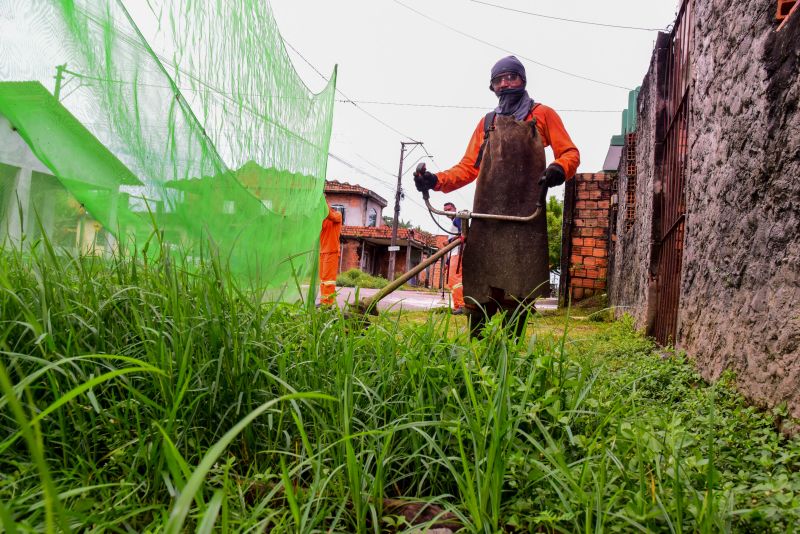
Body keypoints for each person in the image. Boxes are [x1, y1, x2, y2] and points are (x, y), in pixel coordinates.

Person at [414, 55, 580, 338]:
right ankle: (477, 354)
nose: (505, 83)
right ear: (492, 87)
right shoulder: (487, 123)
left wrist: (558, 169)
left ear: (522, 80)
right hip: (488, 218)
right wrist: (436, 181)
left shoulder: (543, 115)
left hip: (526, 219)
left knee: (518, 291)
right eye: (499, 80)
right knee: (481, 288)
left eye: (511, 77)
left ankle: (509, 356)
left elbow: (570, 154)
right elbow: (469, 167)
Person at [443, 202, 465, 314]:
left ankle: (461, 306)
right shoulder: (453, 223)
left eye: (449, 209)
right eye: (445, 211)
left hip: (458, 253)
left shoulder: (458, 218)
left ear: (454, 208)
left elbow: (464, 234)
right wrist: (447, 262)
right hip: (453, 254)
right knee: (452, 282)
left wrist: (449, 241)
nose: (447, 212)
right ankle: (457, 306)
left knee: (456, 279)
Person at [319, 204, 343, 306]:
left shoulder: (337, 215)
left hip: (331, 252)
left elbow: (331, 215)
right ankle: (324, 301)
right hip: (323, 252)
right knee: (323, 280)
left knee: (329, 280)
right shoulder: (323, 220)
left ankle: (327, 304)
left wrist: (322, 199)